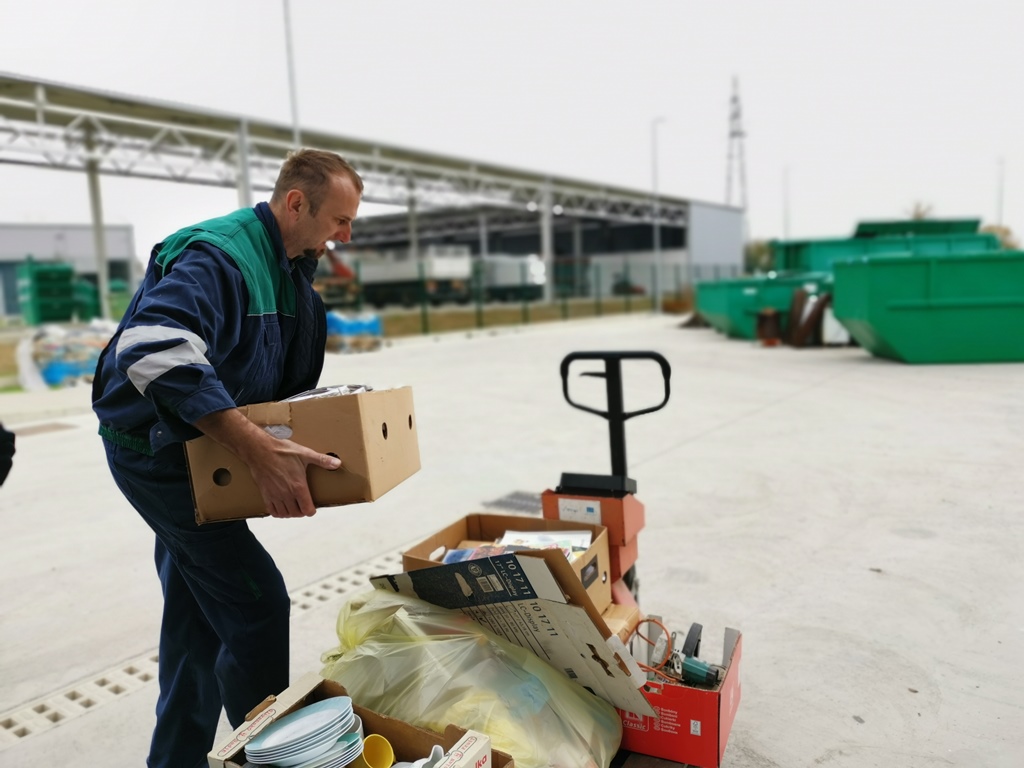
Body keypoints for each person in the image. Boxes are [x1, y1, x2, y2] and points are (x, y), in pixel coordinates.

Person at [92, 148, 363, 768]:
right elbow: (153, 348)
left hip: (197, 446)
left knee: (197, 623)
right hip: (157, 454)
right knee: (255, 604)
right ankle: (273, 756)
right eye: (340, 220)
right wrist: (260, 452)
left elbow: (265, 367)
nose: (345, 236)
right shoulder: (223, 255)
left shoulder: (290, 265)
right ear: (297, 202)